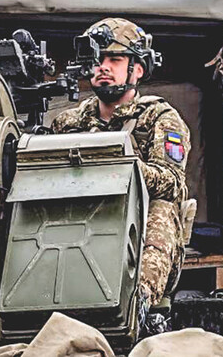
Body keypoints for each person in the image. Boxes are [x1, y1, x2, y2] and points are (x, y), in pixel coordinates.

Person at [52, 18, 191, 322]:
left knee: (164, 207)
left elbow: (173, 183)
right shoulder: (68, 123)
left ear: (137, 69)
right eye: (97, 60)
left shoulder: (158, 117)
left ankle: (137, 305)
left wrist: (123, 166)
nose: (103, 67)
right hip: (83, 223)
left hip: (137, 231)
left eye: (114, 60)